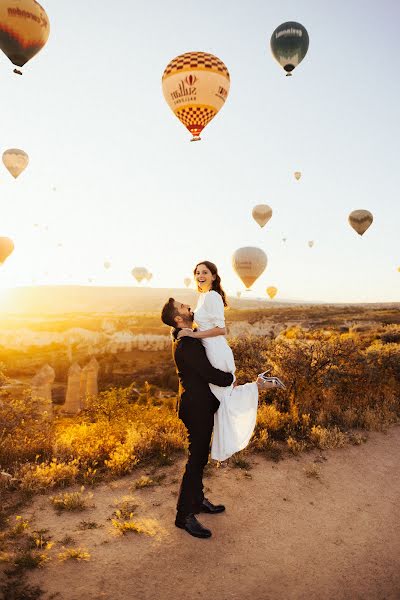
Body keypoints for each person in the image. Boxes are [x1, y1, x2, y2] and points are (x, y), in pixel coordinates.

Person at [161, 297, 276, 539]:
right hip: (196, 409)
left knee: (199, 459)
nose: (189, 307)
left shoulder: (183, 337)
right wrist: (229, 379)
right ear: (178, 319)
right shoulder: (187, 344)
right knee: (195, 461)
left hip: (198, 405)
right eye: (184, 308)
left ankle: (198, 500)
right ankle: (184, 516)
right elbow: (209, 373)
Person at [177, 261, 266, 462]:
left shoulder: (213, 296)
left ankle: (256, 388)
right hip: (209, 348)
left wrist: (193, 335)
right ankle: (257, 387)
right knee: (221, 396)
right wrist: (194, 333)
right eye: (197, 272)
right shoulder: (203, 297)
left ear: (214, 276)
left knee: (223, 395)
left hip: (216, 349)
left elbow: (221, 329)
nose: (200, 275)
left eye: (205, 272)